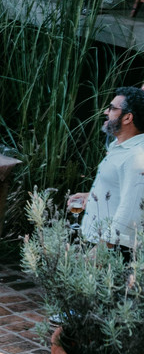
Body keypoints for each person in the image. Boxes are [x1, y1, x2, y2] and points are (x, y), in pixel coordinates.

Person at [69, 87, 144, 252]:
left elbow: (130, 210)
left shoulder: (137, 156)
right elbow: (120, 187)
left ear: (127, 118)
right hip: (97, 241)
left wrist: (101, 250)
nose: (105, 112)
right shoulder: (118, 146)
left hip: (112, 250)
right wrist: (91, 196)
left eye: (112, 108)